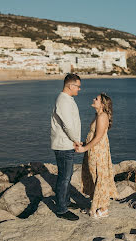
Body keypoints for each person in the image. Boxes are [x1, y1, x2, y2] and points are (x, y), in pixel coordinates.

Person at [75, 92, 118, 218]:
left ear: (102, 104)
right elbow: (94, 135)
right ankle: (96, 204)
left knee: (100, 176)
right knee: (92, 176)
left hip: (98, 151)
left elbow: (98, 137)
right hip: (93, 149)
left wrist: (84, 149)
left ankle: (104, 208)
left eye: (97, 99)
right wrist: (83, 143)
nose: (93, 99)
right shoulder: (98, 115)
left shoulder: (102, 116)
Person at [50, 73, 82, 221]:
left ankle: (66, 201)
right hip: (64, 144)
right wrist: (76, 140)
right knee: (64, 177)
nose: (79, 89)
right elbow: (68, 125)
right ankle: (61, 209)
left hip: (67, 143)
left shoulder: (67, 100)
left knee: (66, 176)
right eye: (78, 86)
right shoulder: (63, 101)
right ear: (70, 86)